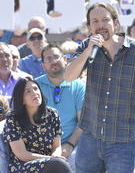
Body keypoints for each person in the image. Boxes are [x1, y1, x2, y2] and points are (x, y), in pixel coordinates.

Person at [64, 2, 135, 173]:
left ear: (116, 23)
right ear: (89, 27)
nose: (101, 25)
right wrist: (88, 50)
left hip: (123, 141)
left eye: (105, 20)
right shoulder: (87, 48)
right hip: (91, 137)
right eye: (95, 21)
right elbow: (68, 76)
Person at [2, 77, 73, 173]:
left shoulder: (52, 114)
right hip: (23, 165)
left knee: (58, 164)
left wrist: (55, 156)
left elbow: (56, 146)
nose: (34, 93)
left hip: (50, 163)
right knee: (58, 164)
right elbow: (21, 154)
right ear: (22, 99)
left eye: (36, 89)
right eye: (28, 91)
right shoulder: (13, 119)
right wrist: (51, 159)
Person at [36, 43, 85, 172]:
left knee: (78, 162)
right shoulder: (35, 86)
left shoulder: (79, 86)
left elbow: (83, 122)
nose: (53, 61)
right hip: (40, 146)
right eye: (48, 59)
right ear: (43, 65)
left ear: (64, 59)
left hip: (72, 145)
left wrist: (69, 145)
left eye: (56, 57)